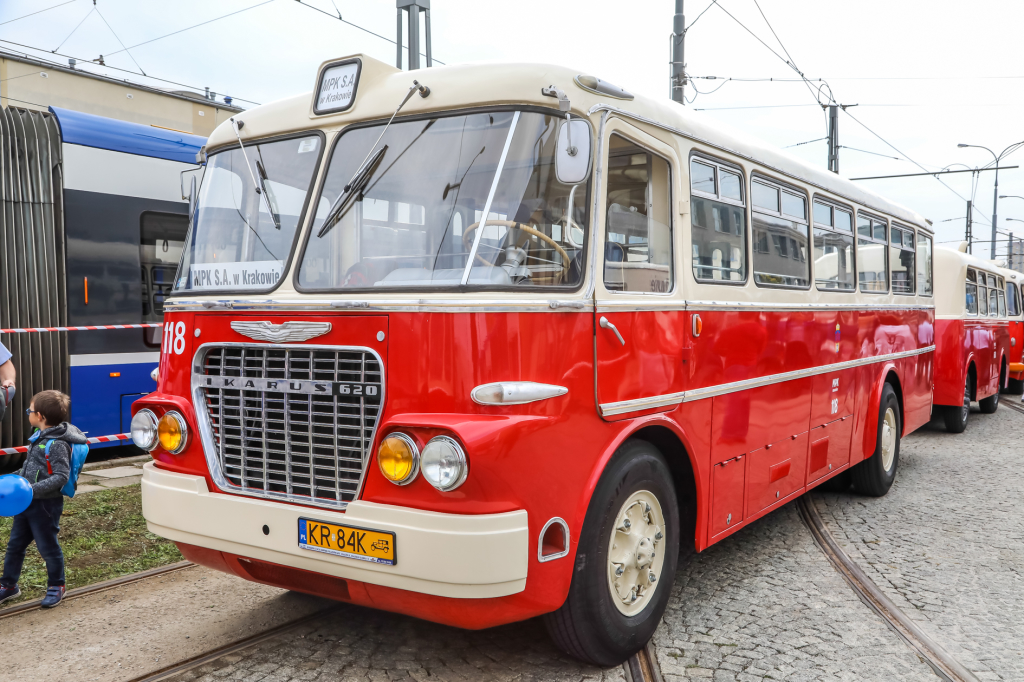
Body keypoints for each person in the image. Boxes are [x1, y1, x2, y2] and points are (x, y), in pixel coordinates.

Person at [0, 390, 86, 608]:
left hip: (46, 505)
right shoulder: (39, 437)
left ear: (40, 416)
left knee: (48, 547)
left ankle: (57, 585)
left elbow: (61, 476)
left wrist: (32, 489)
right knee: (15, 545)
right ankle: (9, 585)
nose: (28, 412)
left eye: (30, 410)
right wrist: (13, 479)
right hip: (26, 502)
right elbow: (30, 468)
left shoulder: (56, 444)